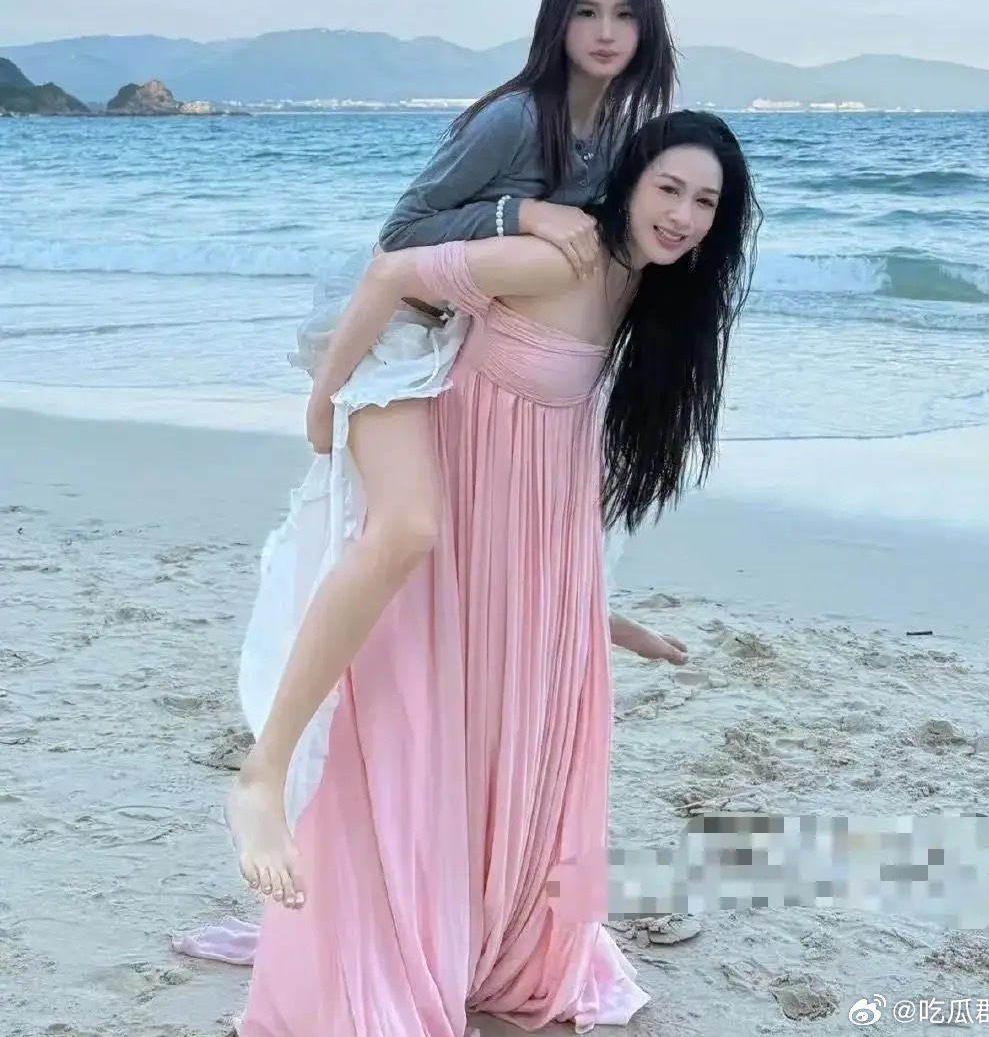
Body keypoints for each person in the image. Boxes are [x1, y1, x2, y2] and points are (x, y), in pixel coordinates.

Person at [181, 109, 761, 1036]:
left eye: (706, 203)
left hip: (527, 546)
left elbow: (558, 464)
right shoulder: (558, 263)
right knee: (410, 727)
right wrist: (324, 405)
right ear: (629, 182)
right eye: (669, 189)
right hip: (454, 511)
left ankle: (480, 935)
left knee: (514, 742)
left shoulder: (641, 297)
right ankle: (264, 777)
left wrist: (593, 609)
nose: (684, 216)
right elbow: (391, 272)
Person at [225, 0, 680, 896]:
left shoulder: (615, 135)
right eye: (587, 12)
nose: (605, 32)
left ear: (649, 29)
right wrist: (520, 216)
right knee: (409, 530)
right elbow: (398, 236)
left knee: (457, 553)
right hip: (392, 333)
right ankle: (262, 774)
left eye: (624, 14)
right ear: (556, 21)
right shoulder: (517, 117)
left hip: (457, 341)